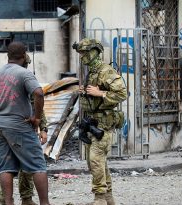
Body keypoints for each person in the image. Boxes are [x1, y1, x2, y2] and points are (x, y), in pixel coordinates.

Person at [0, 41, 50, 205]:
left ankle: (9, 202)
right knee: (38, 165)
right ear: (24, 55)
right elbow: (38, 93)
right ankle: (45, 203)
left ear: (8, 56)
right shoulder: (24, 73)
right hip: (18, 125)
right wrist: (37, 119)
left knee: (6, 167)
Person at [73, 38, 127, 205]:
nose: (82, 57)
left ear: (94, 52)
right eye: (80, 53)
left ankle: (99, 199)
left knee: (96, 160)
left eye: (84, 53)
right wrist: (86, 92)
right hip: (92, 123)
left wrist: (100, 93)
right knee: (96, 163)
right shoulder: (92, 72)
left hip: (103, 124)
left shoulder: (106, 71)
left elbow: (121, 94)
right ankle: (108, 199)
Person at [0, 53, 48, 205]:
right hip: (17, 128)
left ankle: (25, 198)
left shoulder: (18, 77)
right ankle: (9, 199)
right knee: (14, 165)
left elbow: (37, 104)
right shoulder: (11, 79)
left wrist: (43, 127)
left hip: (12, 127)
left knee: (19, 166)